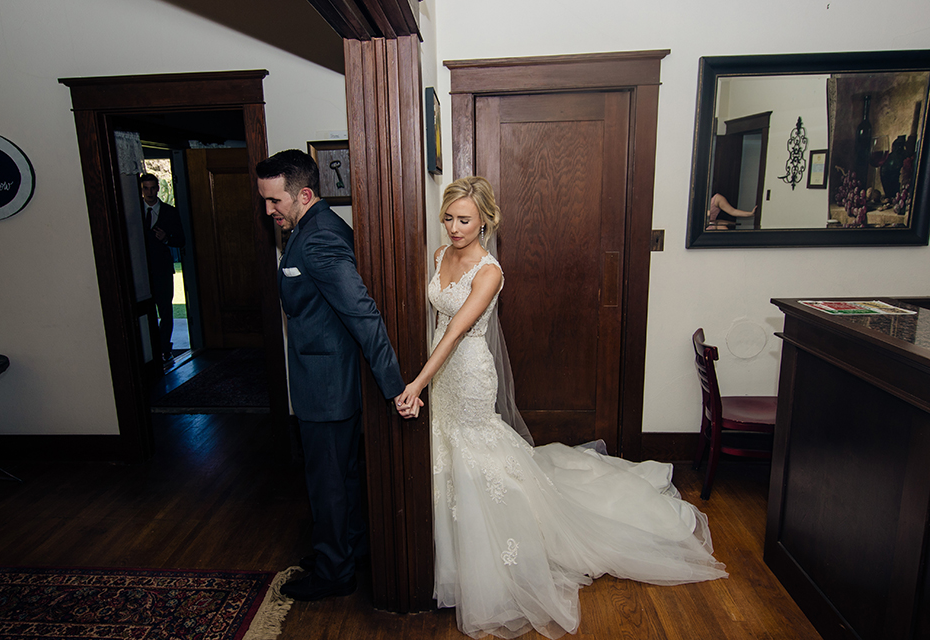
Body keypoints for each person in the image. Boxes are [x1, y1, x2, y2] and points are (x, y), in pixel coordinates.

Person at [395, 176, 728, 639]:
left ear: (486, 220)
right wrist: (422, 374)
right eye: (448, 218)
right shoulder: (438, 256)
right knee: (443, 450)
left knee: (475, 452)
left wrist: (415, 383)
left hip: (468, 369)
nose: (453, 227)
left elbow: (455, 334)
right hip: (439, 370)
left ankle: (498, 557)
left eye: (464, 220)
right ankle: (441, 558)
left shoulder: (490, 272)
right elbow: (435, 322)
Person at [256, 149, 420, 602]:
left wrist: (395, 387)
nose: (269, 211)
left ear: (304, 195)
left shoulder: (319, 238)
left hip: (327, 388)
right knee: (342, 477)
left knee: (327, 483)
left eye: (275, 202)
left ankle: (334, 572)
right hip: (328, 382)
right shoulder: (312, 226)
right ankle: (347, 549)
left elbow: (363, 313)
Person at [140, 173, 185, 366]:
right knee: (145, 310)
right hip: (141, 270)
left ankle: (165, 348)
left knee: (166, 310)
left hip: (163, 269)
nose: (149, 192)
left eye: (152, 188)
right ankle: (149, 351)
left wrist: (166, 239)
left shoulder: (169, 212)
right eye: (145, 188)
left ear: (158, 188)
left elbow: (181, 240)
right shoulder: (133, 211)